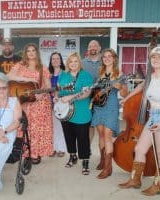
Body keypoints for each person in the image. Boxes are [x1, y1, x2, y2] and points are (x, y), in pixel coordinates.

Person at [118, 47, 160, 196]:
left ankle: (158, 185)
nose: (156, 59)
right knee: (139, 149)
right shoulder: (151, 77)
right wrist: (127, 98)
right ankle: (135, 180)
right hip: (153, 117)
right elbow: (140, 87)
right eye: (154, 57)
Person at [7, 43, 53, 164]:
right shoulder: (20, 66)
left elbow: (48, 86)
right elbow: (9, 76)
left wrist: (42, 94)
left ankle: (35, 154)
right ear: (25, 53)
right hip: (25, 102)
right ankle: (25, 152)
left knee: (37, 129)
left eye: (33, 50)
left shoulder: (43, 68)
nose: (31, 53)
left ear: (37, 52)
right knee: (25, 127)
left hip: (40, 103)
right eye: (28, 51)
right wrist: (27, 79)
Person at [91, 48, 128, 179]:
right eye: (104, 56)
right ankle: (102, 160)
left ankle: (108, 168)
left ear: (114, 58)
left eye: (109, 56)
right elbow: (95, 89)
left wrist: (121, 87)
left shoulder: (120, 74)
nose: (107, 58)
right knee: (100, 134)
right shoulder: (99, 73)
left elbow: (125, 93)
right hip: (99, 107)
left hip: (111, 106)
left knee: (107, 136)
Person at [54, 52, 93, 175]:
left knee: (83, 138)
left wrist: (71, 97)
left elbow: (86, 93)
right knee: (69, 137)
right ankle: (72, 156)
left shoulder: (85, 75)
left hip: (81, 113)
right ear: (68, 64)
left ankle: (85, 161)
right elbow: (58, 91)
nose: (73, 64)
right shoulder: (63, 75)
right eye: (71, 62)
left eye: (75, 61)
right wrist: (56, 98)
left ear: (79, 63)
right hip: (65, 113)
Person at [82, 40, 103, 168]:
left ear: (99, 48)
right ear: (88, 49)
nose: (93, 48)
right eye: (90, 46)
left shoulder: (105, 61)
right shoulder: (83, 63)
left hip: (102, 98)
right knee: (89, 126)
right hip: (86, 98)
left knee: (101, 128)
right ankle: (87, 151)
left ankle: (103, 156)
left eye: (95, 45)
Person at [48, 52, 67, 157]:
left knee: (60, 127)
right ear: (51, 61)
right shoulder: (48, 74)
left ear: (60, 61)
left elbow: (68, 88)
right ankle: (53, 148)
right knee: (51, 127)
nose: (55, 60)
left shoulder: (65, 74)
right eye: (53, 59)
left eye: (57, 59)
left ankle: (61, 149)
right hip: (49, 103)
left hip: (61, 104)